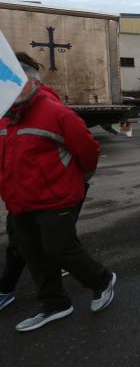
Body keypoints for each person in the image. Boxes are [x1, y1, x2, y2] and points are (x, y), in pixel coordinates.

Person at [0, 54, 116, 331]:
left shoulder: (56, 112)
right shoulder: (5, 117)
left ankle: (102, 280)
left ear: (33, 82)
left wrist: (72, 182)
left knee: (59, 249)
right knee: (33, 253)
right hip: (19, 200)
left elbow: (88, 152)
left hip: (56, 199)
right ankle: (55, 303)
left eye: (16, 83)